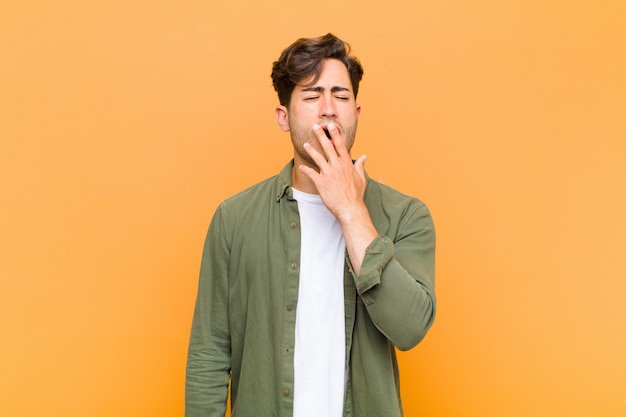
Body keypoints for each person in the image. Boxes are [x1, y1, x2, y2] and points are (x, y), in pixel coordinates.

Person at [185, 33, 436, 417]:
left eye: (341, 95)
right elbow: (210, 350)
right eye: (311, 95)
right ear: (284, 116)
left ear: (356, 112)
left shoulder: (406, 215)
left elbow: (410, 329)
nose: (328, 108)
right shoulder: (234, 219)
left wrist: (351, 210)